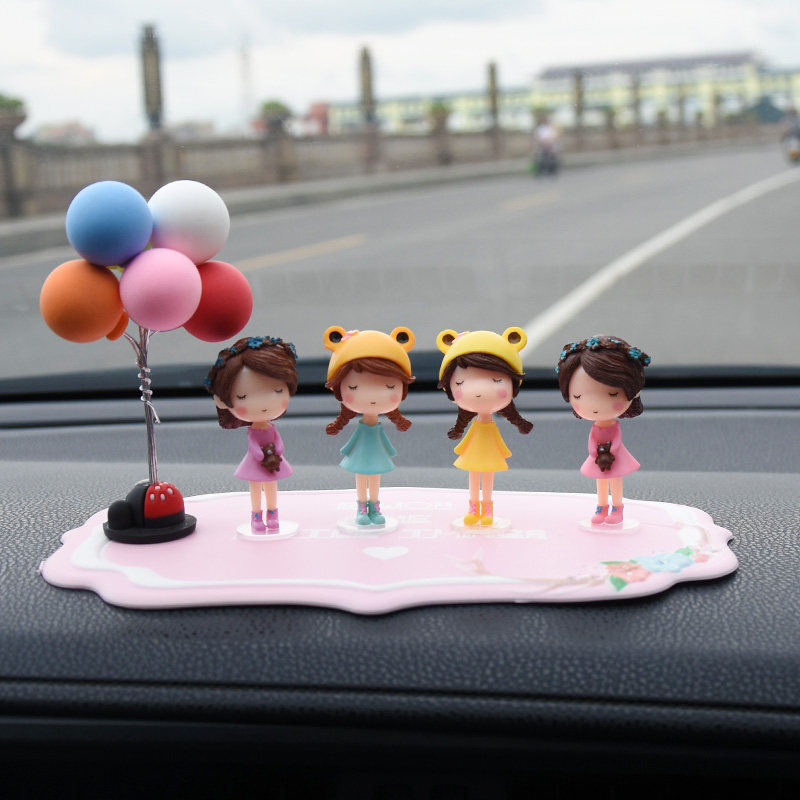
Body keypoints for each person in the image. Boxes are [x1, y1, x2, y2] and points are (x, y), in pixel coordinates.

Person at [437, 328, 533, 527]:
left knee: (488, 475)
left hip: (488, 447)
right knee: (473, 475)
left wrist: (520, 424)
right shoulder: (468, 416)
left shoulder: (500, 413)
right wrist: (457, 430)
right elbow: (462, 421)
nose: (478, 391)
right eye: (461, 382)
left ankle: (487, 509)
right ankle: (473, 508)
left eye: (496, 380)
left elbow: (512, 416)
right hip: (476, 447)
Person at [205, 335, 298, 534]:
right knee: (255, 488)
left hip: (273, 460)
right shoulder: (254, 430)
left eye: (277, 390)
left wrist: (277, 450)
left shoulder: (270, 427)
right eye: (242, 396)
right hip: (256, 461)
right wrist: (260, 454)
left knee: (271, 487)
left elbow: (277, 440)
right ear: (223, 401)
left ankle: (272, 515)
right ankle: (256, 516)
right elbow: (253, 443)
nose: (262, 404)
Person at [324, 327, 415, 527]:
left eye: (389, 386)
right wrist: (349, 449)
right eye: (354, 387)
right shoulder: (363, 426)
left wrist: (387, 449)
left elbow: (382, 441)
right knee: (361, 478)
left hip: (376, 454)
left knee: (375, 478)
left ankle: (374, 507)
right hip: (362, 455)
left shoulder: (377, 426)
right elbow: (355, 441)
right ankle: (361, 508)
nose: (372, 396)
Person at [556, 335, 650, 526]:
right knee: (600, 482)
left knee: (615, 481)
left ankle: (617, 508)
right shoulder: (596, 427)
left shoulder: (613, 426)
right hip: (598, 457)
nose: (594, 405)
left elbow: (616, 439)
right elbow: (592, 440)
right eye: (578, 396)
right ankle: (601, 507)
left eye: (612, 394)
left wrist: (611, 451)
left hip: (614, 457)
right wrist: (595, 452)